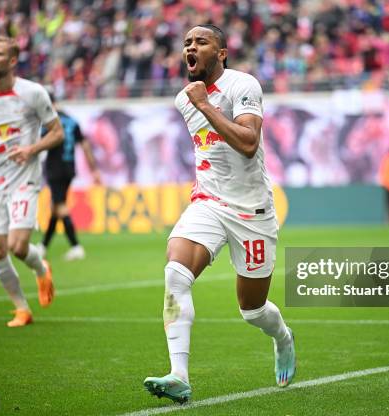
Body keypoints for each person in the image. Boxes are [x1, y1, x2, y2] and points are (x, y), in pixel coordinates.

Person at [143, 25, 295, 404]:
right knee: (175, 272)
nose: (190, 47)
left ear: (222, 53)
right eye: (186, 43)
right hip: (209, 203)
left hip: (253, 212)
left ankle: (283, 337)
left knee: (253, 311)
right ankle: (179, 374)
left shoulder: (243, 85)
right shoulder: (185, 99)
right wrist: (197, 102)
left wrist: (205, 105)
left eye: (201, 42)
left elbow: (248, 144)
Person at [0, 36, 64, 327]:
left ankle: (41, 267)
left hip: (24, 179)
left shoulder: (33, 93)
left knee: (18, 247)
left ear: (13, 60)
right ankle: (22, 309)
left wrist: (32, 149)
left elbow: (57, 133)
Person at [39, 92, 101, 261]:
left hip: (54, 168)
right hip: (69, 169)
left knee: (60, 207)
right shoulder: (72, 120)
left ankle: (76, 246)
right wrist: (94, 170)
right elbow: (85, 146)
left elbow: (40, 143)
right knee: (56, 207)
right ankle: (43, 246)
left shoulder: (49, 122)